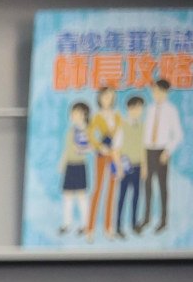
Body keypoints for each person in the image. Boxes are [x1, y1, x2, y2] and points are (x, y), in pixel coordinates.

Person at [138, 77, 181, 234]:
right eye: (153, 91)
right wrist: (143, 155)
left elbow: (178, 135)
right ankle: (146, 218)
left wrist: (167, 151)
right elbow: (145, 134)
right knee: (147, 186)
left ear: (165, 92)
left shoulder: (171, 110)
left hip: (162, 151)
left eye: (158, 91)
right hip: (149, 151)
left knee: (162, 187)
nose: (155, 94)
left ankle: (163, 220)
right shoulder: (149, 109)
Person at [86, 85, 121, 241]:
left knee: (112, 192)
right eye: (105, 96)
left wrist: (116, 153)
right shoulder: (97, 117)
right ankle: (90, 228)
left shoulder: (117, 116)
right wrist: (101, 147)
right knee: (98, 189)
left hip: (114, 155)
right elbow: (91, 135)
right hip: (101, 154)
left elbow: (120, 136)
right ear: (100, 98)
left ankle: (108, 227)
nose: (107, 99)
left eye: (110, 96)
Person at [114, 94, 147, 239]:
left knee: (136, 196)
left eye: (140, 108)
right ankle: (118, 227)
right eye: (134, 108)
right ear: (128, 108)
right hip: (125, 167)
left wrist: (145, 166)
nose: (137, 111)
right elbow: (115, 149)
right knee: (122, 196)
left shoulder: (142, 126)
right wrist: (119, 168)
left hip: (138, 165)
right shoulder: (122, 126)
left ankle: (134, 224)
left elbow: (143, 147)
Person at [59, 101, 91, 236]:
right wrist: (62, 162)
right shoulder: (71, 131)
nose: (74, 115)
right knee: (67, 195)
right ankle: (67, 224)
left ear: (84, 114)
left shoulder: (88, 130)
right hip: (69, 165)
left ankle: (85, 225)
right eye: (73, 112)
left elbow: (91, 147)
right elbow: (67, 148)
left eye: (77, 112)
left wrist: (82, 149)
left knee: (82, 196)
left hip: (80, 165)